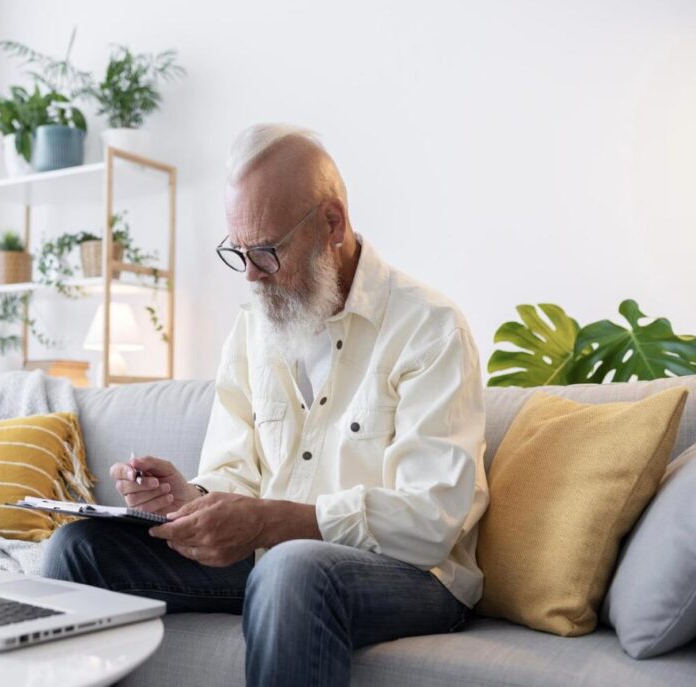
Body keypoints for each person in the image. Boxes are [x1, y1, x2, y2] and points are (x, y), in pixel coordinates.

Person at [42, 123, 489, 686]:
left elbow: (430, 521)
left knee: (291, 564)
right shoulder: (255, 327)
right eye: (238, 251)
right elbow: (235, 474)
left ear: (333, 223)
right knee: (78, 548)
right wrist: (190, 500)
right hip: (272, 559)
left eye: (267, 251)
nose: (250, 274)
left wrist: (270, 523)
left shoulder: (429, 328)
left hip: (413, 575)